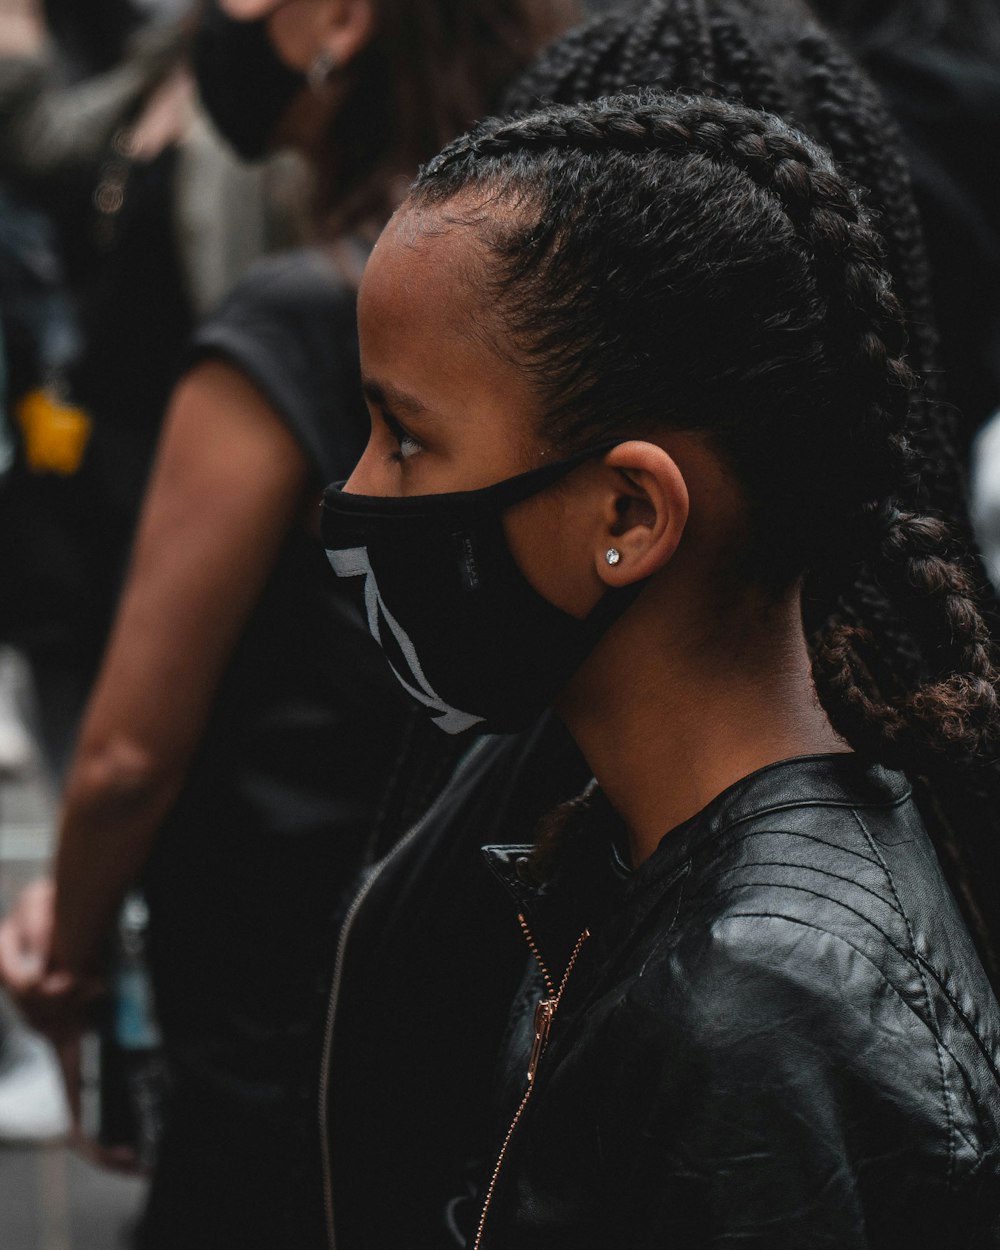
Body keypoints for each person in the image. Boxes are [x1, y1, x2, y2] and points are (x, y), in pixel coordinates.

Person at [320, 86, 1000, 1247]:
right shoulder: (648, 847)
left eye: (409, 438)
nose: (357, 492)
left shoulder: (757, 1007)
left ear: (627, 512)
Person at [0, 2, 575, 1248]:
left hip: (271, 940)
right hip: (444, 925)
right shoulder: (545, 295)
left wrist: (70, 945)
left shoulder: (300, 324)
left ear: (344, 21)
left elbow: (126, 754)